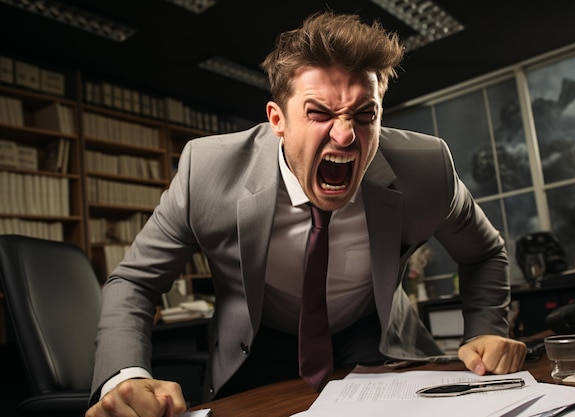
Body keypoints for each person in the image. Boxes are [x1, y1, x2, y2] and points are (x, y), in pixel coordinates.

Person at [87, 11, 527, 417]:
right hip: (258, 343)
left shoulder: (426, 168)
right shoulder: (207, 172)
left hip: (373, 336)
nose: (345, 135)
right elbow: (134, 282)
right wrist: (126, 375)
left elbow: (484, 253)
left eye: (364, 114)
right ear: (277, 119)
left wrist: (482, 331)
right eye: (319, 113)